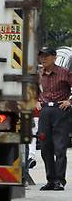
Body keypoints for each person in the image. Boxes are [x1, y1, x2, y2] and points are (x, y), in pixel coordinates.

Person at [37, 47, 72, 191]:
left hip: (60, 112)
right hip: (45, 112)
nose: (43, 59)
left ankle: (59, 180)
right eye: (41, 56)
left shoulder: (64, 73)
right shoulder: (40, 74)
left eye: (46, 56)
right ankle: (50, 180)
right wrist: (36, 100)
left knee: (60, 147)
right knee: (45, 147)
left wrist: (69, 101)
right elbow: (32, 89)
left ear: (54, 57)